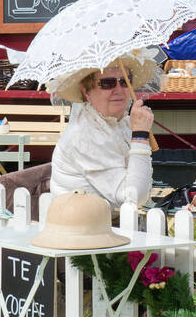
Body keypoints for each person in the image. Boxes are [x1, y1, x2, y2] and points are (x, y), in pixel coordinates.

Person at [49, 61, 156, 210]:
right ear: (86, 92)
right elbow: (134, 196)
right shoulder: (84, 135)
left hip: (105, 223)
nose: (119, 90)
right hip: (80, 227)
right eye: (107, 83)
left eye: (125, 82)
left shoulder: (120, 121)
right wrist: (140, 135)